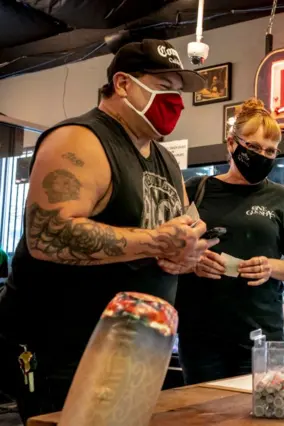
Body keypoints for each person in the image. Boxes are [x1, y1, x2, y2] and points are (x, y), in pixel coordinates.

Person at [0, 39, 215, 422]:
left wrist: (190, 253)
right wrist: (158, 242)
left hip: (138, 349)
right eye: (164, 87)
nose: (175, 101)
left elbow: (188, 227)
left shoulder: (165, 159)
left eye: (178, 92)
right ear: (123, 84)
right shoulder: (80, 139)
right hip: (65, 349)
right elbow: (47, 235)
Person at [169, 98, 284, 384]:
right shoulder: (195, 190)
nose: (263, 155)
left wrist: (270, 266)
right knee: (204, 414)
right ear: (231, 144)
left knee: (257, 412)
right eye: (254, 147)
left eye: (270, 150)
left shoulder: (280, 198)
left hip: (261, 335)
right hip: (200, 334)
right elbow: (167, 253)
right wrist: (193, 263)